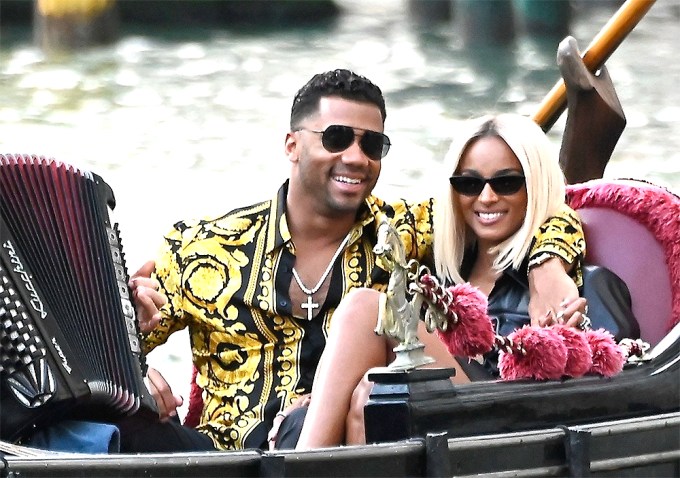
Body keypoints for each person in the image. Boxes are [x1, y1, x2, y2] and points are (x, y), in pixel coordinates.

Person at [126, 70, 587, 452]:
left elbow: (535, 207)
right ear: (292, 145)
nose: (356, 157)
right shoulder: (202, 247)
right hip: (223, 458)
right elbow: (120, 346)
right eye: (337, 137)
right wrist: (137, 368)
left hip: (336, 440)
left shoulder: (404, 230)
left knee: (370, 317)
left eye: (372, 145)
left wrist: (547, 263)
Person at [294, 113, 589, 450]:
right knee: (371, 394)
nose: (487, 197)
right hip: (443, 417)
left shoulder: (558, 271)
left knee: (365, 307)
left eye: (506, 182)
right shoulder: (437, 270)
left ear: (536, 184)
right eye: (469, 183)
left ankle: (303, 463)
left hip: (509, 425)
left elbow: (606, 376)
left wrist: (550, 275)